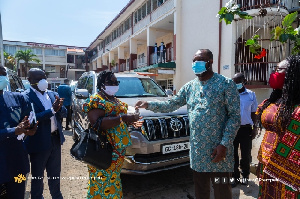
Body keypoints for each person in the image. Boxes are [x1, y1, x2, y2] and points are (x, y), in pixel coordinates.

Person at [135, 49, 241, 199]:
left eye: (200, 60)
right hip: (198, 151)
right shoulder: (190, 87)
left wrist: (224, 144)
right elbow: (171, 104)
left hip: (219, 150)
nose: (195, 64)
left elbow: (235, 117)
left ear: (210, 62)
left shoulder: (225, 84)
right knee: (201, 190)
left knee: (222, 191)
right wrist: (148, 104)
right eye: (194, 61)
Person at [82, 71, 142, 199]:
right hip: (103, 149)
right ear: (101, 84)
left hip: (118, 150)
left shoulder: (114, 99)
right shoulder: (96, 100)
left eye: (116, 82)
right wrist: (123, 118)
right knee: (102, 182)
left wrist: (131, 121)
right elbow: (96, 123)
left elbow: (120, 121)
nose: (114, 85)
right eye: (110, 82)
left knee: (113, 180)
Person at [256, 57, 300, 198]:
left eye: (279, 70)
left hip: (287, 173)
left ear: (293, 73)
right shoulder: (275, 100)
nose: (275, 73)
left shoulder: (297, 107)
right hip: (266, 163)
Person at [23, 68, 66, 199]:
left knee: (55, 175)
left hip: (55, 140)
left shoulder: (52, 94)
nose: (42, 81)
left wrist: (60, 108)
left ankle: (57, 196)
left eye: (44, 78)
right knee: (37, 177)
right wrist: (52, 110)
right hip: (39, 142)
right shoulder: (25, 97)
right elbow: (31, 119)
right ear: (29, 80)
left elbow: (63, 113)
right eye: (38, 79)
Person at [0, 64, 37, 199]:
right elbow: (16, 129)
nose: (1, 77)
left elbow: (28, 119)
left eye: (3, 74)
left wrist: (30, 129)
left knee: (18, 194)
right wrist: (14, 130)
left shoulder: (18, 97)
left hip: (18, 165)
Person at [232, 73, 258, 187]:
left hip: (245, 129)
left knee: (245, 154)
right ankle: (234, 177)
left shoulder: (251, 95)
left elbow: (254, 113)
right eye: (234, 82)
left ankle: (245, 176)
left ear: (244, 81)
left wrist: (255, 128)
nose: (236, 84)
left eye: (238, 81)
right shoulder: (229, 95)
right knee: (232, 155)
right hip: (232, 129)